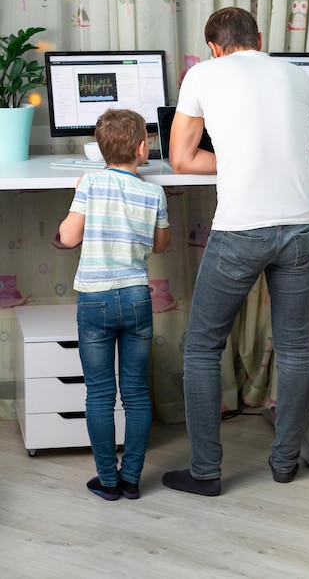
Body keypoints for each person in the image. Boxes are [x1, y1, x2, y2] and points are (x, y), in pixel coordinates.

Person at [162, 7, 309, 496]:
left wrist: (230, 161)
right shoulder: (296, 75)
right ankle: (286, 461)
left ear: (214, 47)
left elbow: (182, 158)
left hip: (242, 230)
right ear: (259, 37)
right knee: (295, 346)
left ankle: (207, 473)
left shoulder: (202, 74)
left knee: (203, 346)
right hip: (301, 224)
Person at [59, 109, 170, 501]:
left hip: (95, 300)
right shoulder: (154, 192)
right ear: (143, 148)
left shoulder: (89, 183)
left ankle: (108, 480)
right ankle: (132, 479)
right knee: (136, 393)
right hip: (137, 298)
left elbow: (69, 237)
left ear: (99, 149)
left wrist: (79, 196)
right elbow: (160, 245)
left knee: (100, 394)